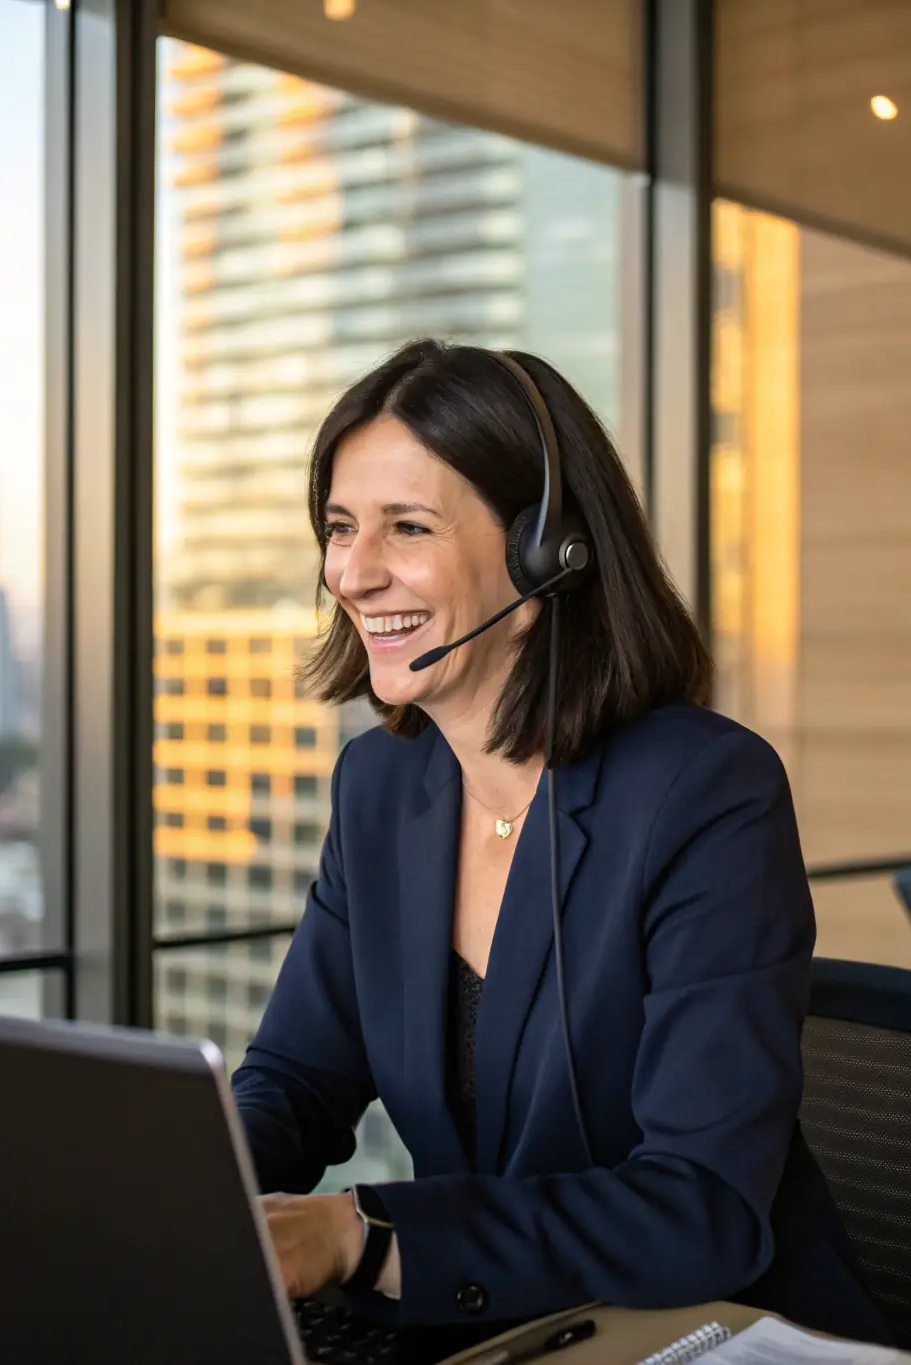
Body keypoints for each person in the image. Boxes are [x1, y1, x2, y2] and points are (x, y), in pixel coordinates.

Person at [231, 339, 889, 1345]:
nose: (354, 573)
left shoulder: (704, 794)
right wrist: (173, 1186)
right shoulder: (382, 790)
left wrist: (360, 1239)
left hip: (695, 1332)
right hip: (487, 1323)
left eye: (406, 528)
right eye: (339, 528)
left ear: (547, 557)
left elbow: (698, 1206)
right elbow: (296, 1084)